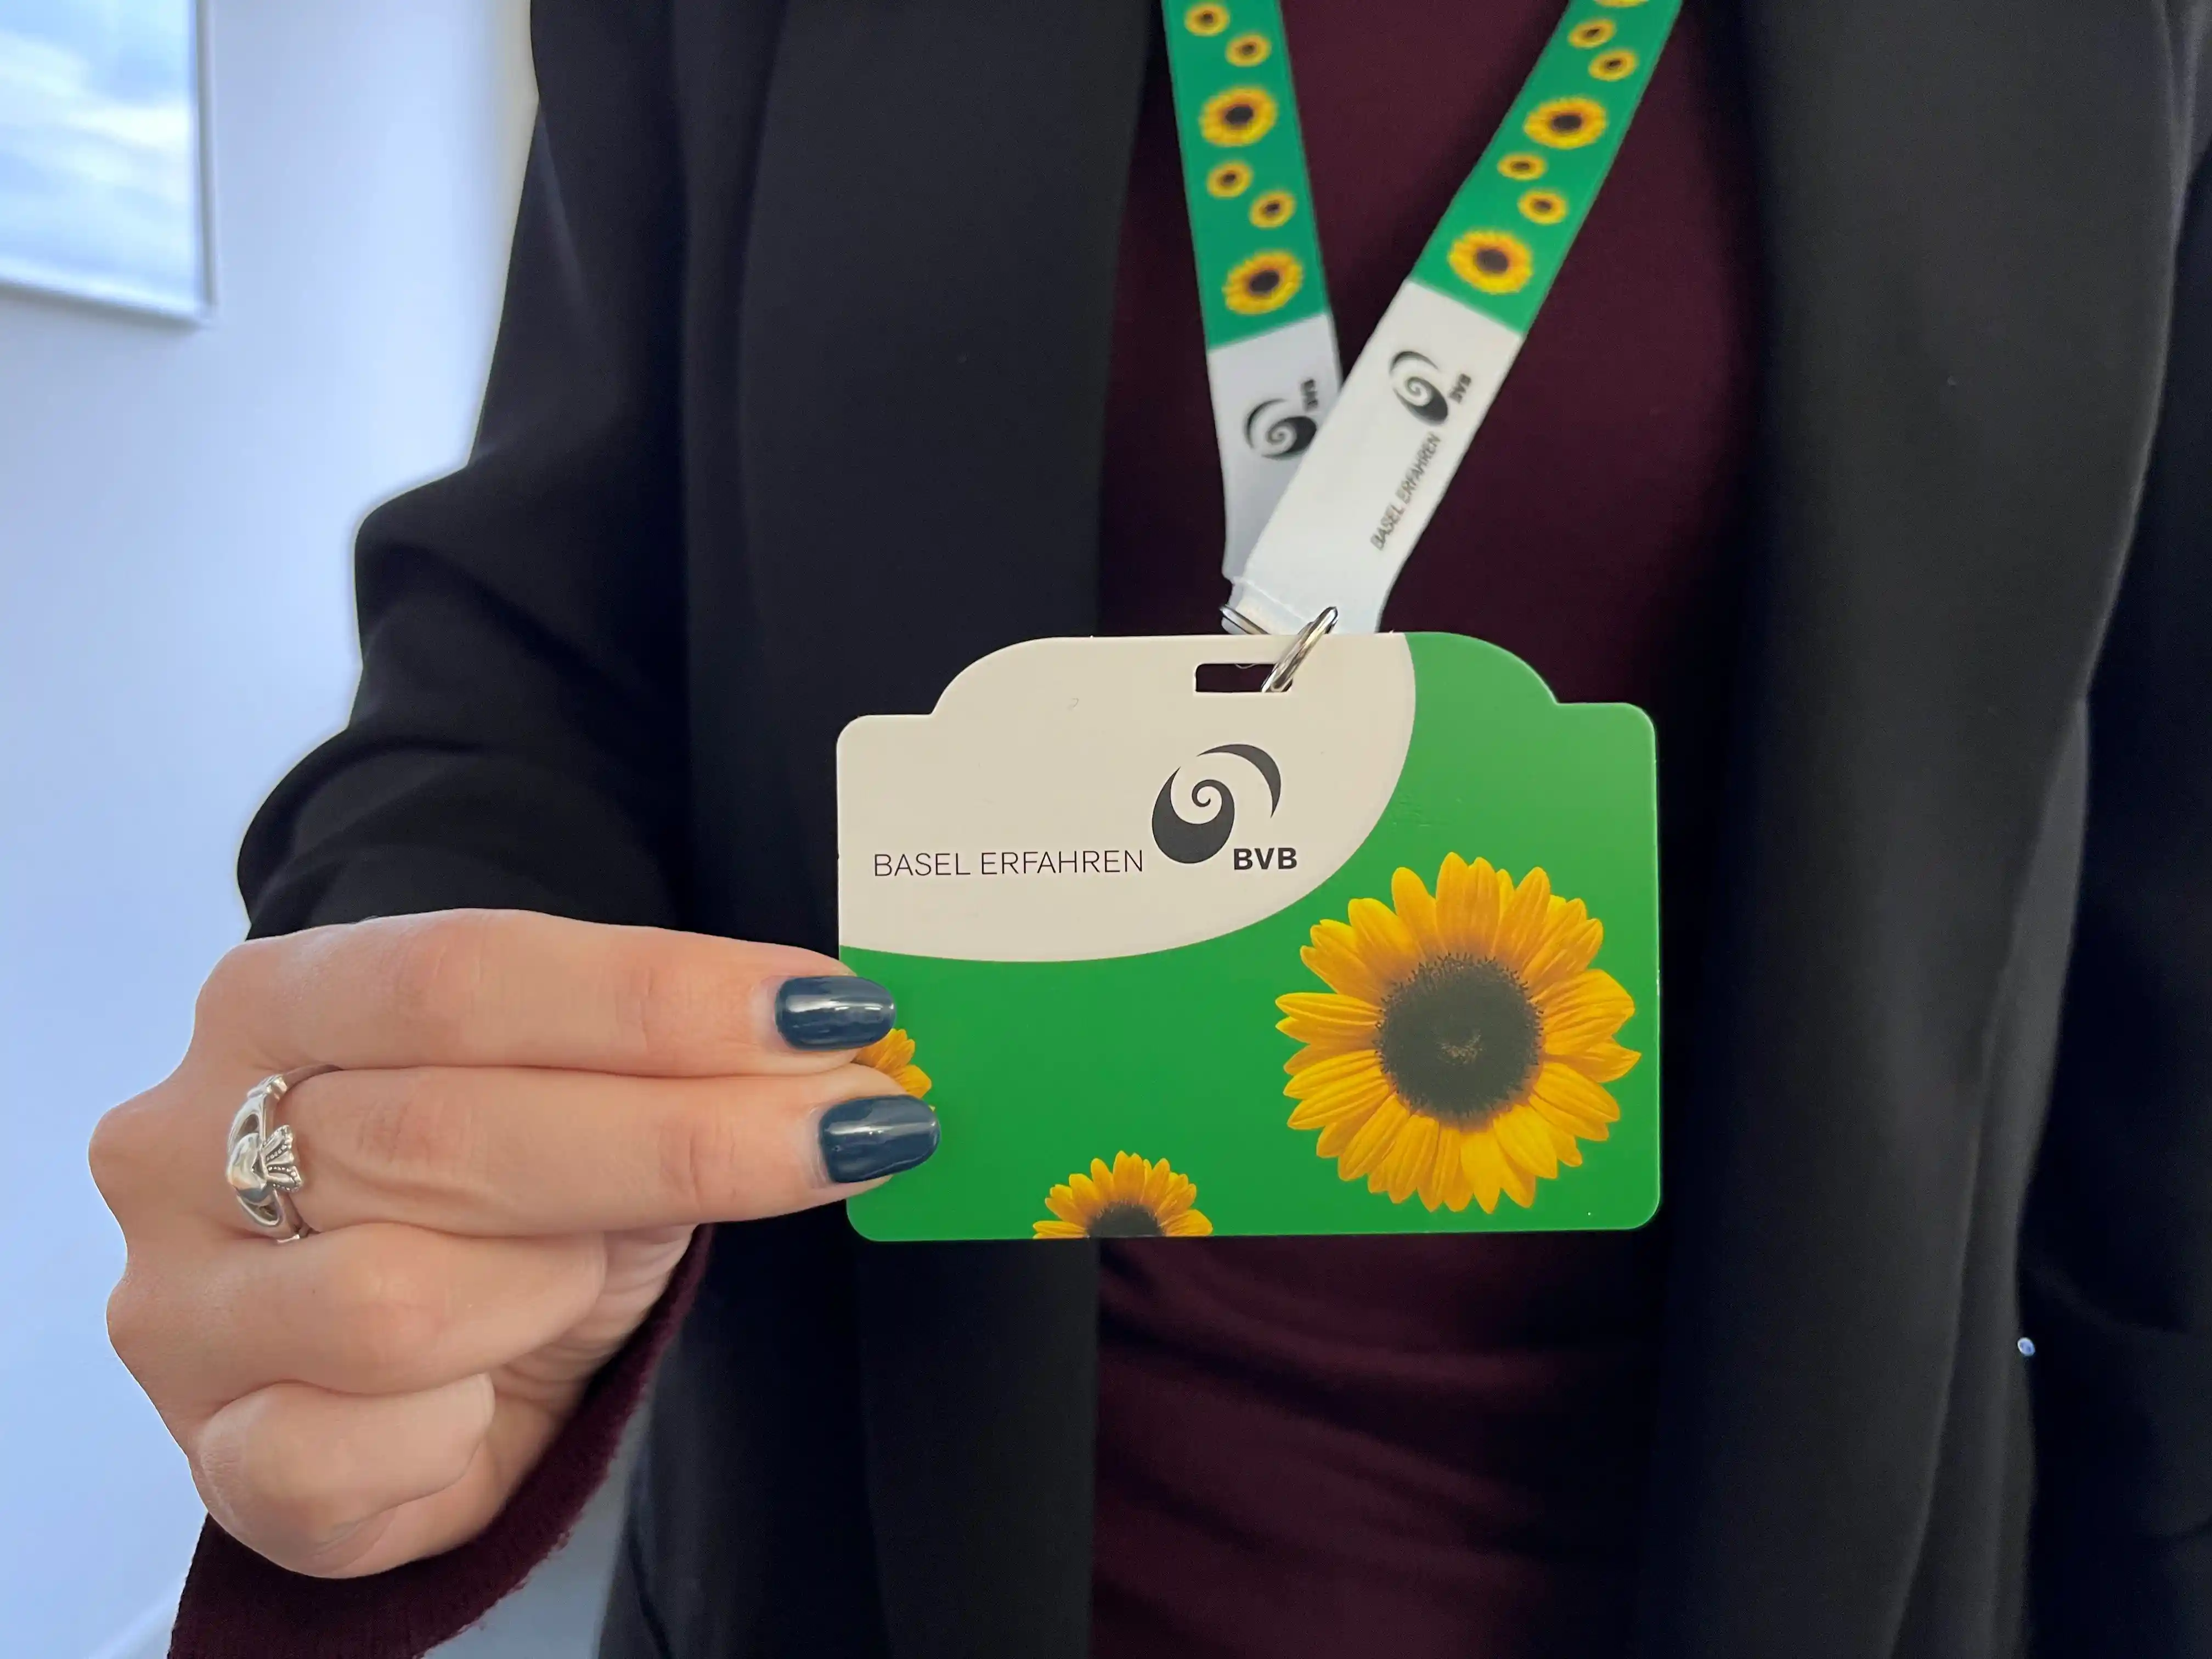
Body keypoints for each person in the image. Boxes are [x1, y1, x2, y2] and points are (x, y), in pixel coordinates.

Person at [87, 0, 2212, 1655]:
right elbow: (542, 646)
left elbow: (2161, 888)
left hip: (1839, 1568)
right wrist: (410, 1110)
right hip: (880, 1561)